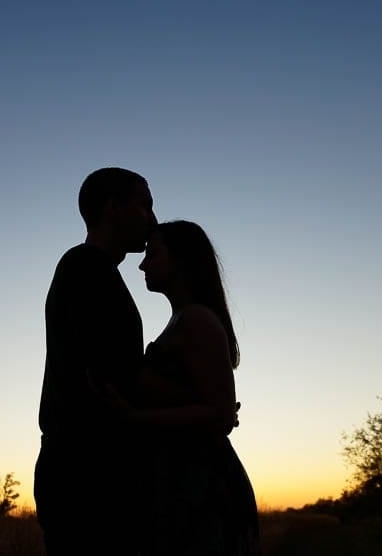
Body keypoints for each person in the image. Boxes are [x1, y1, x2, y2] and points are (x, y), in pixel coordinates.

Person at [109, 220, 260, 555]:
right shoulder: (182, 321)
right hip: (183, 482)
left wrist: (132, 418)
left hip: (201, 487)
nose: (143, 263)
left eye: (154, 253)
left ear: (182, 260)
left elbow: (219, 416)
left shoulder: (197, 320)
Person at [34, 167, 157, 555]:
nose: (153, 220)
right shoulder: (85, 267)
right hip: (85, 470)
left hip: (89, 465)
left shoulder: (95, 271)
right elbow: (108, 374)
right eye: (144, 205)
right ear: (111, 208)